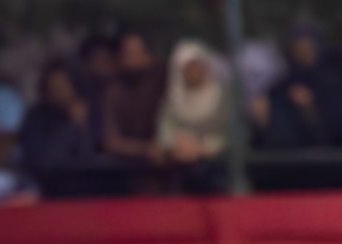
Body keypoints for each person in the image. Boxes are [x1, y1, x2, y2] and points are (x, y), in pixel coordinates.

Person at [156, 40, 231, 194]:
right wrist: (176, 144)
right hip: (179, 171)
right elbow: (164, 130)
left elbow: (232, 133)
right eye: (188, 69)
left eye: (198, 67)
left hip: (217, 173)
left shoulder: (223, 97)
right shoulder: (172, 100)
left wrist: (202, 149)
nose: (194, 72)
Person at [101, 31, 166, 192]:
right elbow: (111, 141)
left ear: (148, 56)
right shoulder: (114, 90)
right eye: (123, 53)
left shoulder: (165, 83)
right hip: (127, 180)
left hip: (168, 178)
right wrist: (145, 148)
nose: (126, 58)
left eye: (132, 53)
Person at [20, 62, 95, 197]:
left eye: (63, 85)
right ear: (46, 90)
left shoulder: (88, 111)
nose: (59, 92)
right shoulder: (35, 118)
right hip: (47, 192)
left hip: (85, 193)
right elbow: (46, 163)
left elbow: (89, 157)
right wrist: (71, 126)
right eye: (54, 87)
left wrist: (82, 128)